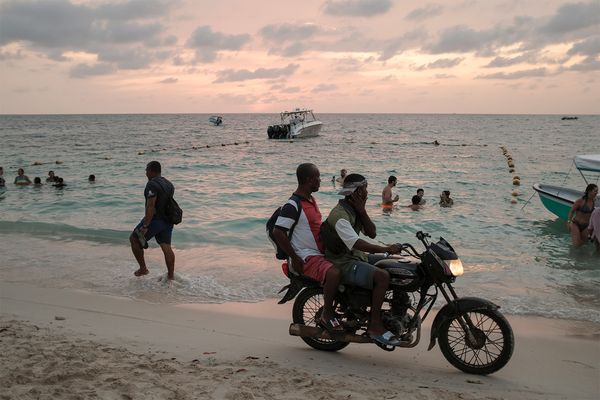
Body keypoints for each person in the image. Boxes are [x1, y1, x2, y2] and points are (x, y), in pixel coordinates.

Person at [321, 173, 403, 346]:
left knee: (395, 264)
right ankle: (374, 325)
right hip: (342, 261)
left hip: (355, 255)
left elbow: (372, 233)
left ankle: (396, 312)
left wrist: (362, 211)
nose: (367, 192)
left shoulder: (354, 210)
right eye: (364, 189)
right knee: (382, 276)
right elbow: (356, 243)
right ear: (357, 192)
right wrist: (385, 249)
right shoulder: (340, 215)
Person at [272, 163, 343, 332]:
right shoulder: (293, 205)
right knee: (334, 273)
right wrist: (294, 257)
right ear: (309, 180)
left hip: (319, 252)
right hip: (306, 256)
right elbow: (278, 232)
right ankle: (327, 314)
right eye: (318, 177)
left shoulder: (311, 200)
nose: (320, 181)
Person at [129, 161, 176, 280]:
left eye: (146, 170)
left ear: (151, 170)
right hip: (168, 221)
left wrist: (145, 226)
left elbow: (151, 206)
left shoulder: (152, 184)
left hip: (155, 220)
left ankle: (143, 268)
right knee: (166, 246)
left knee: (134, 239)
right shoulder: (169, 184)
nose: (146, 173)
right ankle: (171, 277)